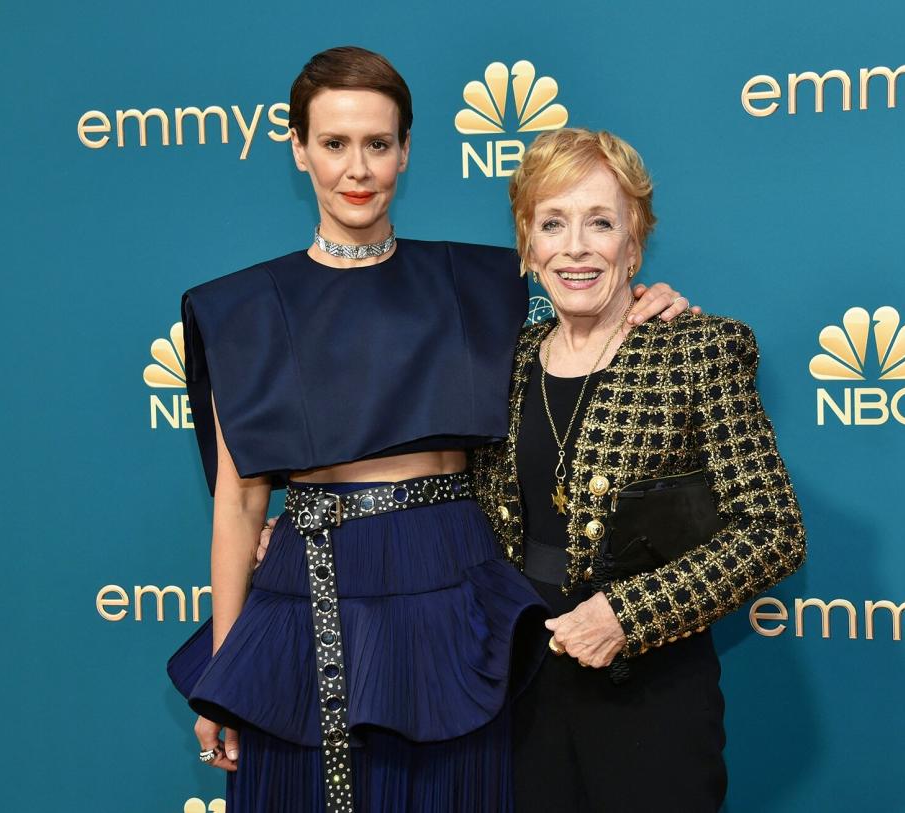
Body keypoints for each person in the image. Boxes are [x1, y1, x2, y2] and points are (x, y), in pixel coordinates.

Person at [165, 48, 697, 813]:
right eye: (335, 143)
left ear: (406, 151)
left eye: (378, 144)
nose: (357, 168)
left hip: (450, 586)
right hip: (306, 590)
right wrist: (223, 672)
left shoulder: (484, 284)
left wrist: (653, 305)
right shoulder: (239, 311)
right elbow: (237, 507)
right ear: (297, 148)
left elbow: (587, 309)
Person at [470, 128, 807, 812]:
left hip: (650, 692)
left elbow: (774, 529)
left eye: (601, 222)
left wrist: (629, 614)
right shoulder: (498, 364)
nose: (576, 246)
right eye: (552, 223)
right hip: (519, 688)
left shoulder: (696, 350)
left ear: (635, 242)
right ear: (527, 246)